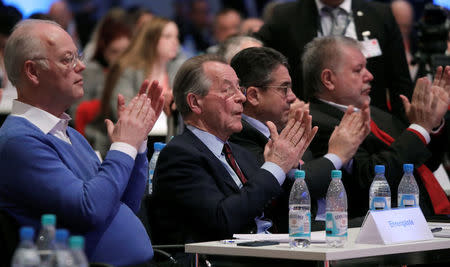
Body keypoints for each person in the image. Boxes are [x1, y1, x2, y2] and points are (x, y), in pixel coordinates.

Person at [0, 19, 164, 266]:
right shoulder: (19, 141)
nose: (82, 66)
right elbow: (89, 209)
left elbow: (125, 204)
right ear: (32, 72)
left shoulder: (69, 133)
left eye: (78, 56)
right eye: (68, 59)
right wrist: (123, 147)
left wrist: (137, 142)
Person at [152, 54, 317, 252]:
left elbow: (281, 214)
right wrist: (275, 167)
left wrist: (289, 170)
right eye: (228, 90)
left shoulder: (239, 153)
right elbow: (223, 220)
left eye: (239, 88)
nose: (241, 97)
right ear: (195, 103)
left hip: (274, 252)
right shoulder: (180, 155)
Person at [303, 35, 450, 218]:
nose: (370, 76)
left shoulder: (376, 113)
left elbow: (426, 163)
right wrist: (419, 128)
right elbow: (371, 179)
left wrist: (432, 125)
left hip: (430, 215)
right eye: (358, 70)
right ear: (328, 79)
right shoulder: (317, 123)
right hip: (387, 225)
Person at [229, 46, 370, 229]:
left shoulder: (285, 127)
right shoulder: (240, 137)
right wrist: (337, 155)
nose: (293, 97)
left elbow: (306, 175)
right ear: (254, 96)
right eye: (284, 89)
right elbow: (302, 188)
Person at [255, 0, 413, 119]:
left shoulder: (379, 14)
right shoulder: (285, 16)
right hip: (311, 124)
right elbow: (253, 50)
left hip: (373, 122)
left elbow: (400, 82)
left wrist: (402, 127)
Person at [89, 17, 180, 157]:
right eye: (168, 36)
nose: (175, 42)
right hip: (127, 146)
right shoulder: (127, 70)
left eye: (176, 36)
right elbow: (124, 112)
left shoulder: (176, 70)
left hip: (165, 145)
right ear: (151, 39)